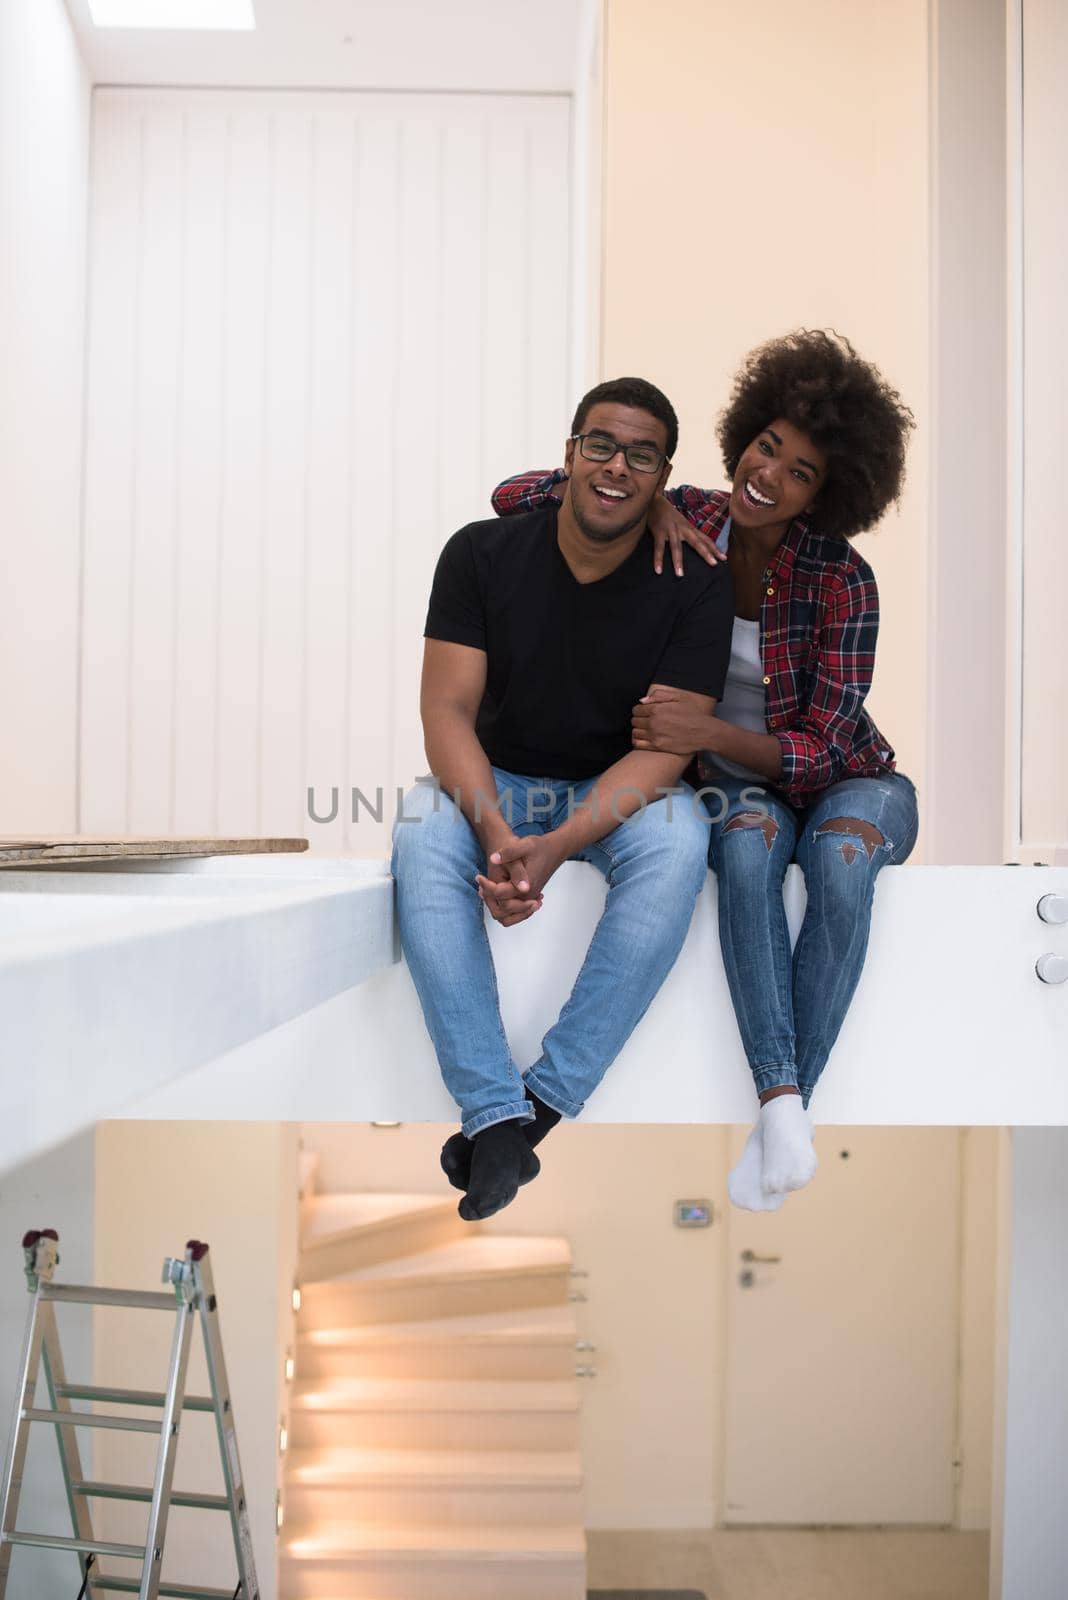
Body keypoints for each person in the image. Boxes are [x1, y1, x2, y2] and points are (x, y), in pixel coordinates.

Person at [491, 330, 918, 1211]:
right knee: (751, 852)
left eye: (800, 471)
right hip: (738, 791)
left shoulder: (845, 580)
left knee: (838, 862)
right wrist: (643, 503)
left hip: (851, 782)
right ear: (743, 438)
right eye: (767, 447)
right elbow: (512, 495)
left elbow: (825, 747)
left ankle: (781, 1112)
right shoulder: (687, 517)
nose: (770, 475)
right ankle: (785, 1112)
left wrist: (708, 725)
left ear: (826, 494)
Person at [392, 376, 734, 1220]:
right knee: (421, 826)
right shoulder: (480, 553)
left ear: (663, 477)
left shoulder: (694, 580)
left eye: (641, 455)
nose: (617, 467)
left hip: (614, 786)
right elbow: (446, 711)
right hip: (498, 776)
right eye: (601, 446)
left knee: (682, 838)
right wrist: (501, 830)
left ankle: (536, 1106)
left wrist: (556, 845)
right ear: (570, 452)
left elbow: (664, 749)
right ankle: (492, 1108)